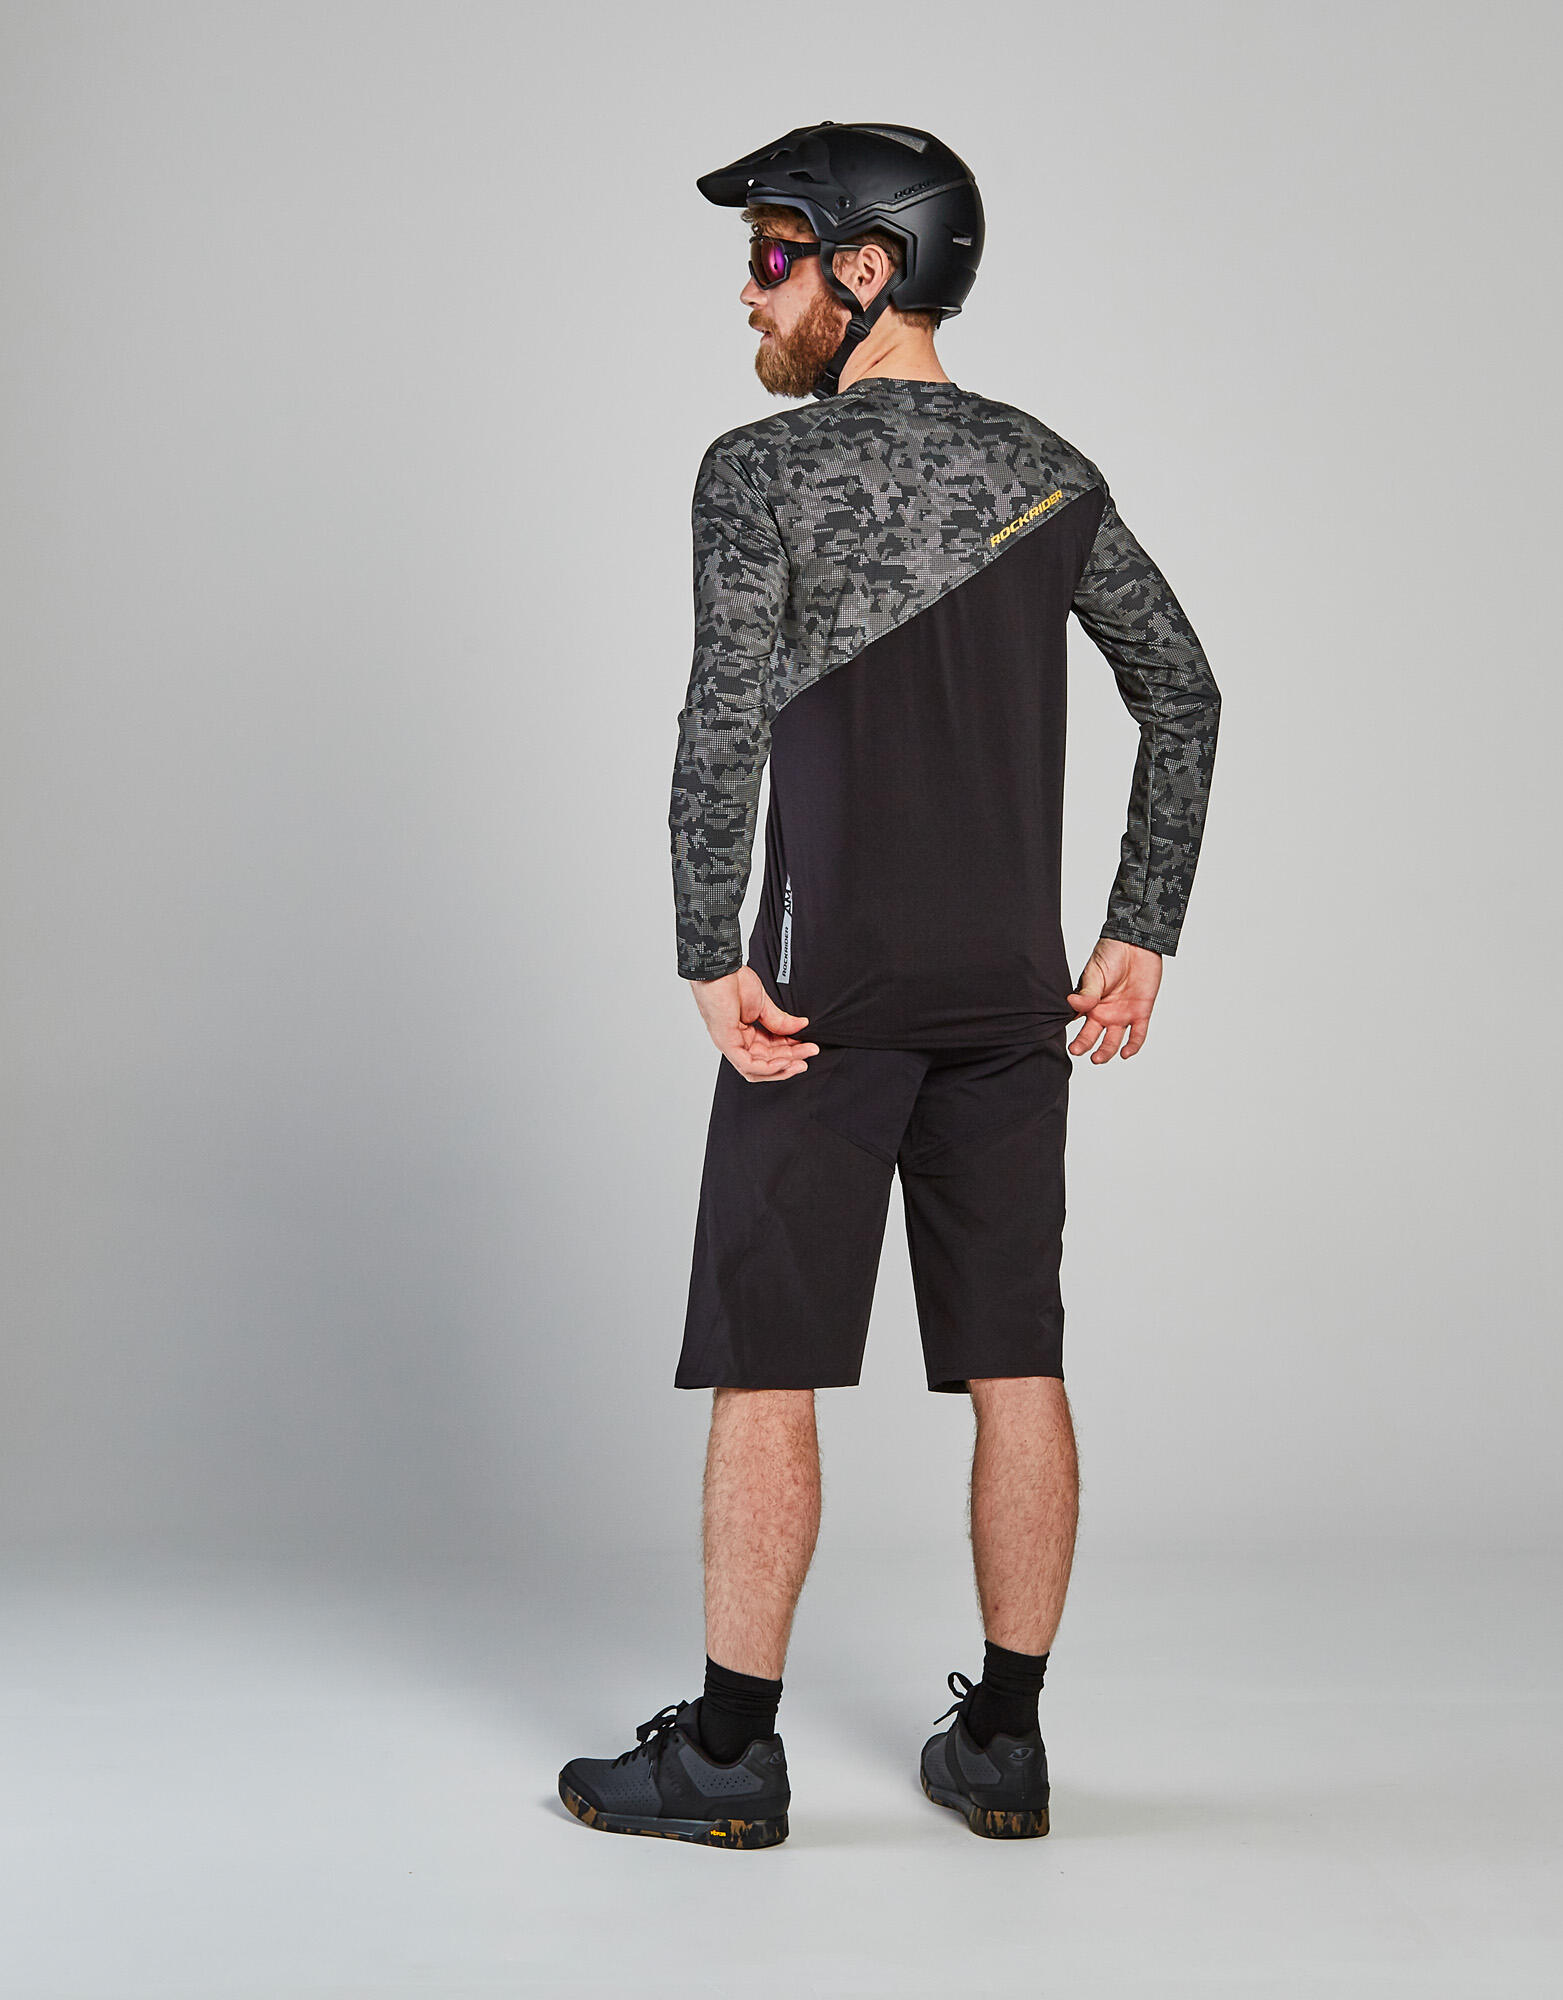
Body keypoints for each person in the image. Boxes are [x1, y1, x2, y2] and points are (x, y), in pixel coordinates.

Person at [557, 122, 1220, 1848]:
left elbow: (721, 718)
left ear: (867, 268)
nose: (750, 291)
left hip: (819, 998)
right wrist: (1141, 922)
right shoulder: (1051, 471)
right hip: (1011, 998)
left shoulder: (757, 471)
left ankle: (727, 1757)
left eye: (772, 255)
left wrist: (708, 950)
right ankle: (1005, 1744)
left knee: (770, 1364)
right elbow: (1187, 689)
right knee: (1017, 1356)